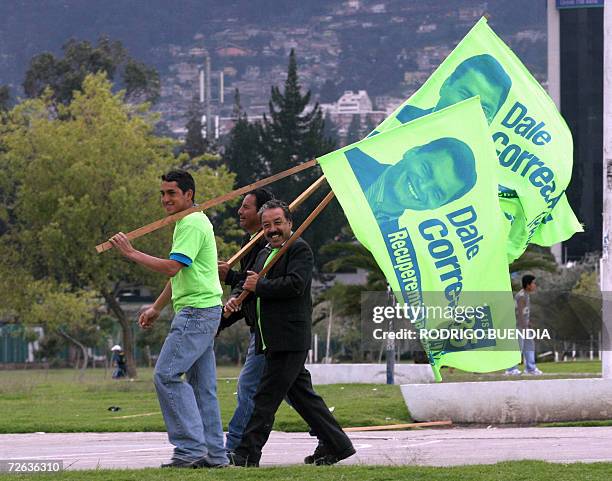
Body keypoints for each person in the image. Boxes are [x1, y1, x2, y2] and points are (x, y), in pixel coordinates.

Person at [109, 169, 228, 469]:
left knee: (166, 375)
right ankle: (214, 455)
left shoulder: (190, 222)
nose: (165, 199)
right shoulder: (194, 221)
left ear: (189, 195)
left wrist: (132, 253)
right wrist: (157, 307)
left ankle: (189, 450)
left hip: (196, 314)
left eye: (172, 193)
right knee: (202, 386)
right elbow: (181, 271)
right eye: (162, 193)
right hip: (206, 309)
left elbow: (172, 268)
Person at [227, 200, 355, 467]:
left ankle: (247, 453)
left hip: (289, 338)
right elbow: (252, 287)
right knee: (303, 398)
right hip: (269, 338)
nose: (272, 230)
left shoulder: (299, 249)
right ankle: (336, 444)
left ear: (289, 223)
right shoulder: (263, 254)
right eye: (266, 226)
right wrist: (233, 286)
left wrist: (258, 284)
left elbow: (294, 285)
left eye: (277, 223)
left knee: (265, 397)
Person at [217, 188, 274, 453]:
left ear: (262, 211)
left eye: (246, 207)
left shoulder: (268, 244)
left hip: (270, 330)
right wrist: (220, 320)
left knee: (249, 387)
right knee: (298, 393)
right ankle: (331, 439)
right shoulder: (248, 241)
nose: (240, 212)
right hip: (258, 328)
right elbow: (242, 295)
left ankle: (236, 446)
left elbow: (256, 284)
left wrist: (230, 278)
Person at [346, 137, 477, 224]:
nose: (424, 187)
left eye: (437, 193)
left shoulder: (396, 253)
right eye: (426, 170)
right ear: (412, 152)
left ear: (437, 206)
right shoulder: (345, 160)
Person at [396, 54, 512, 125]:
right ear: (446, 85)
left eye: (484, 109)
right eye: (465, 95)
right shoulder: (398, 124)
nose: (470, 110)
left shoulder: (485, 161)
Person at [505, 274, 542, 376]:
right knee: (518, 347)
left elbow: (525, 313)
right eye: (533, 283)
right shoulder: (521, 296)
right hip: (518, 326)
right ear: (528, 285)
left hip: (523, 326)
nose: (535, 285)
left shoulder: (526, 295)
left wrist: (528, 323)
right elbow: (520, 314)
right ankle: (511, 369)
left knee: (529, 346)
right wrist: (524, 327)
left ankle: (530, 368)